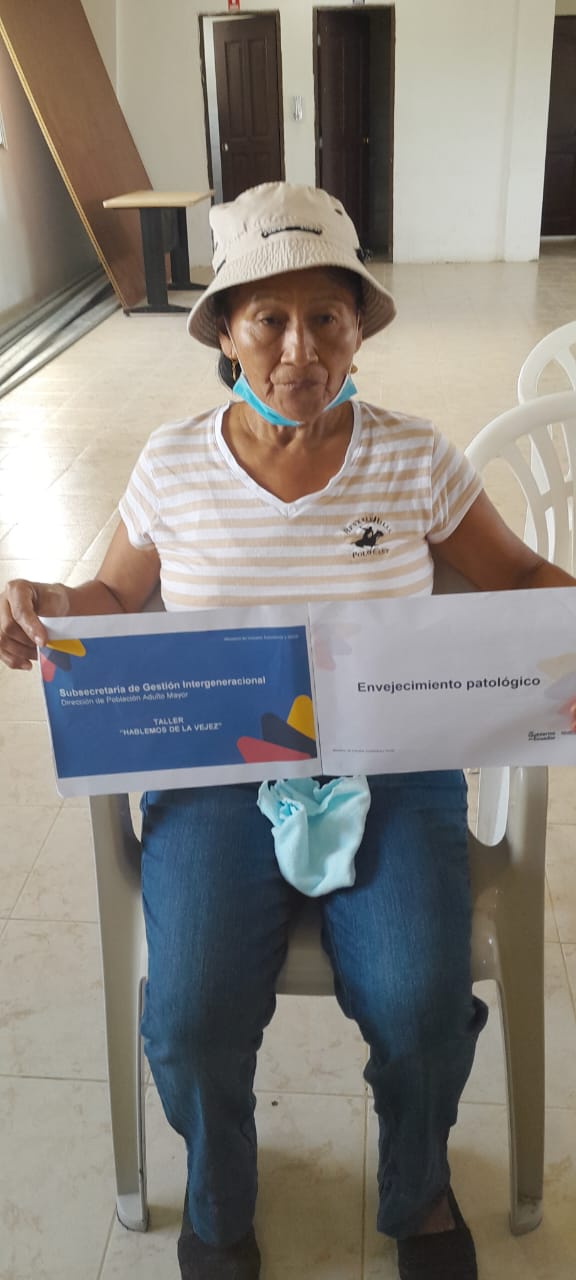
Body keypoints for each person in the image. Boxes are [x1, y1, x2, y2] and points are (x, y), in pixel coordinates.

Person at [0, 182, 574, 1280]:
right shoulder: (173, 463)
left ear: (361, 329)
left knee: (420, 1003)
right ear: (225, 331)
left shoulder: (415, 457)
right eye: (269, 318)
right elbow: (113, 598)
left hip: (392, 767)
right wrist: (50, 607)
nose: (300, 349)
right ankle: (219, 1204)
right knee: (192, 1014)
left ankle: (418, 1191)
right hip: (220, 771)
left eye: (328, 317)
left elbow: (516, 577)